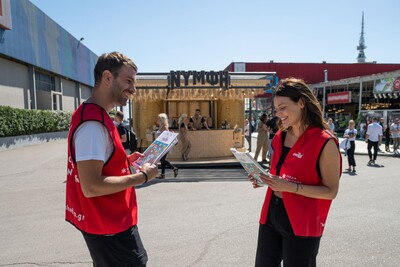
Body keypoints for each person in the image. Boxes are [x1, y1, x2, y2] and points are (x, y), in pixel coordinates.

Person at [65, 52, 159, 266]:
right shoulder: (93, 125)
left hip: (107, 225)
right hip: (110, 227)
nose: (133, 88)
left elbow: (97, 166)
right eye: (128, 80)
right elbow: (91, 186)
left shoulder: (93, 115)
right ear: (107, 77)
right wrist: (142, 177)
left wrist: (124, 162)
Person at [249, 78, 341, 267]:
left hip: (302, 221)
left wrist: (292, 188)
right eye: (276, 109)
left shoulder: (325, 142)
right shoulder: (279, 138)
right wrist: (263, 178)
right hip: (271, 214)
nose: (278, 113)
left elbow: (331, 191)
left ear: (301, 102)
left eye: (283, 107)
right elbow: (281, 174)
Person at [156, 113, 179, 178]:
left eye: (158, 118)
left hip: (164, 146)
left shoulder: (164, 127)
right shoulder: (161, 126)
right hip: (162, 145)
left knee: (162, 160)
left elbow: (166, 136)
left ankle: (174, 168)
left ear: (161, 120)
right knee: (162, 160)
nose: (157, 120)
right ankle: (163, 174)